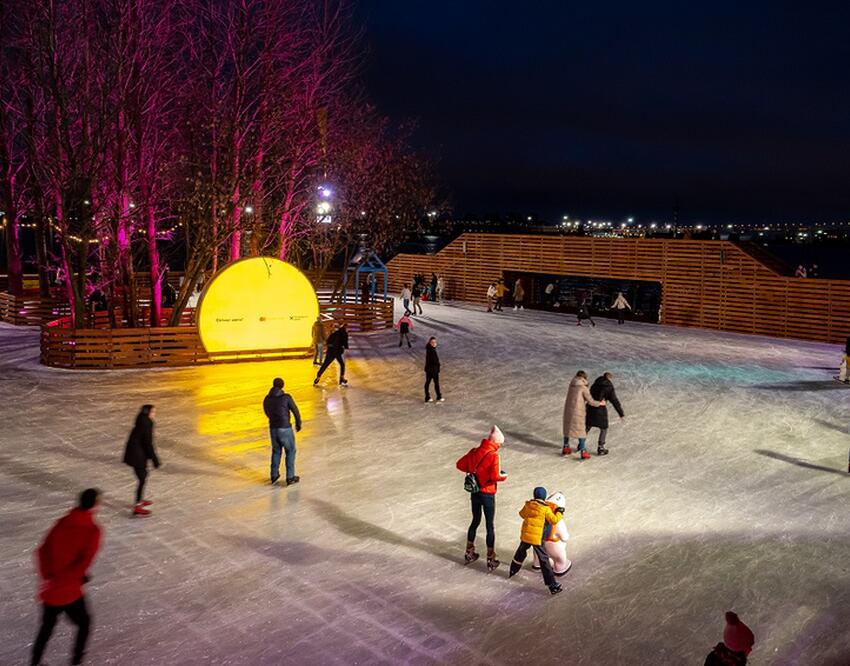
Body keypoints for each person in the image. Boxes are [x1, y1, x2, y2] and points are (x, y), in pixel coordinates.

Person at [31, 488, 102, 666]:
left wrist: (48, 577)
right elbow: (83, 563)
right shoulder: (93, 531)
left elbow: (42, 550)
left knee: (46, 628)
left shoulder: (62, 522)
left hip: (50, 589)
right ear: (95, 505)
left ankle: (35, 663)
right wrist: (75, 578)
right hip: (69, 591)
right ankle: (76, 662)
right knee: (84, 623)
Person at [456, 426, 508, 570]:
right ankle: (491, 559)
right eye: (500, 444)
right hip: (488, 494)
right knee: (489, 526)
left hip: (475, 492)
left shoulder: (474, 451)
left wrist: (474, 471)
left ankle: (469, 552)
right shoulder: (494, 455)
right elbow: (496, 476)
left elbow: (460, 465)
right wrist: (505, 475)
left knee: (475, 521)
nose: (500, 446)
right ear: (496, 442)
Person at [507, 486, 564, 595]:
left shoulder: (528, 505)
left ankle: (513, 569)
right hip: (537, 538)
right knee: (544, 560)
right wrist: (560, 511)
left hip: (526, 536)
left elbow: (521, 514)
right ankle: (552, 585)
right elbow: (554, 520)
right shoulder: (545, 508)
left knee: (520, 552)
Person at [263, 377, 302, 486]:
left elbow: (266, 412)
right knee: (290, 451)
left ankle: (274, 475)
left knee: (276, 451)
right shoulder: (286, 397)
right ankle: (290, 477)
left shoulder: (267, 398)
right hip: (285, 428)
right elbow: (295, 410)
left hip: (273, 429)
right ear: (282, 386)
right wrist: (298, 423)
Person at [122, 405, 160, 517]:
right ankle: (137, 507)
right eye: (153, 411)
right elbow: (148, 444)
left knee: (142, 477)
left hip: (136, 453)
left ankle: (140, 500)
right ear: (147, 413)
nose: (154, 414)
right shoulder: (147, 424)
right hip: (137, 455)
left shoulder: (141, 420)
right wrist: (155, 460)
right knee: (142, 478)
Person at [562, 370, 605, 459]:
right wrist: (600, 403)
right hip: (578, 412)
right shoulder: (583, 387)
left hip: (568, 410)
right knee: (581, 431)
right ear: (584, 378)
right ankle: (583, 451)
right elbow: (590, 401)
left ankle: (566, 447)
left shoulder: (572, 385)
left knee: (567, 427)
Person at [531, 491, 572, 576]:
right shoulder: (558, 521)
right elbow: (564, 537)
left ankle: (537, 564)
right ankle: (560, 567)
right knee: (560, 558)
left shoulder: (538, 515)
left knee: (538, 552)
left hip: (539, 543)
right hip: (554, 547)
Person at [586, 372, 625, 456]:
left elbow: (589, 394)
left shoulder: (595, 384)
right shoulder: (609, 387)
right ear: (609, 378)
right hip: (600, 409)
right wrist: (621, 413)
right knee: (603, 428)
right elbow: (614, 400)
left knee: (588, 425)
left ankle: (581, 444)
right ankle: (601, 448)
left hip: (590, 407)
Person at [424, 336, 443, 402]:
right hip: (431, 370)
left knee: (435, 383)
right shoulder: (430, 350)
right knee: (429, 383)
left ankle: (438, 396)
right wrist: (438, 364)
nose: (434, 343)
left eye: (435, 342)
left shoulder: (431, 349)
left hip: (433, 369)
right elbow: (434, 360)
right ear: (430, 343)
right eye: (432, 342)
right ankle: (428, 397)